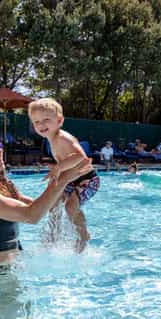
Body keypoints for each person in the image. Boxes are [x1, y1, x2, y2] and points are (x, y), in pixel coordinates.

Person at [0, 128, 92, 273]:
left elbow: (38, 206)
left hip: (8, 266)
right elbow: (31, 215)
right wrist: (63, 180)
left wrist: (65, 181)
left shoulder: (2, 186)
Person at [28, 98, 100, 253]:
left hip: (86, 179)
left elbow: (81, 157)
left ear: (59, 120)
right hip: (70, 178)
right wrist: (58, 169)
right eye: (36, 122)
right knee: (52, 203)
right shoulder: (51, 139)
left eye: (46, 120)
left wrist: (58, 167)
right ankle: (53, 234)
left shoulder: (62, 137)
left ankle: (83, 235)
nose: (41, 125)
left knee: (70, 206)